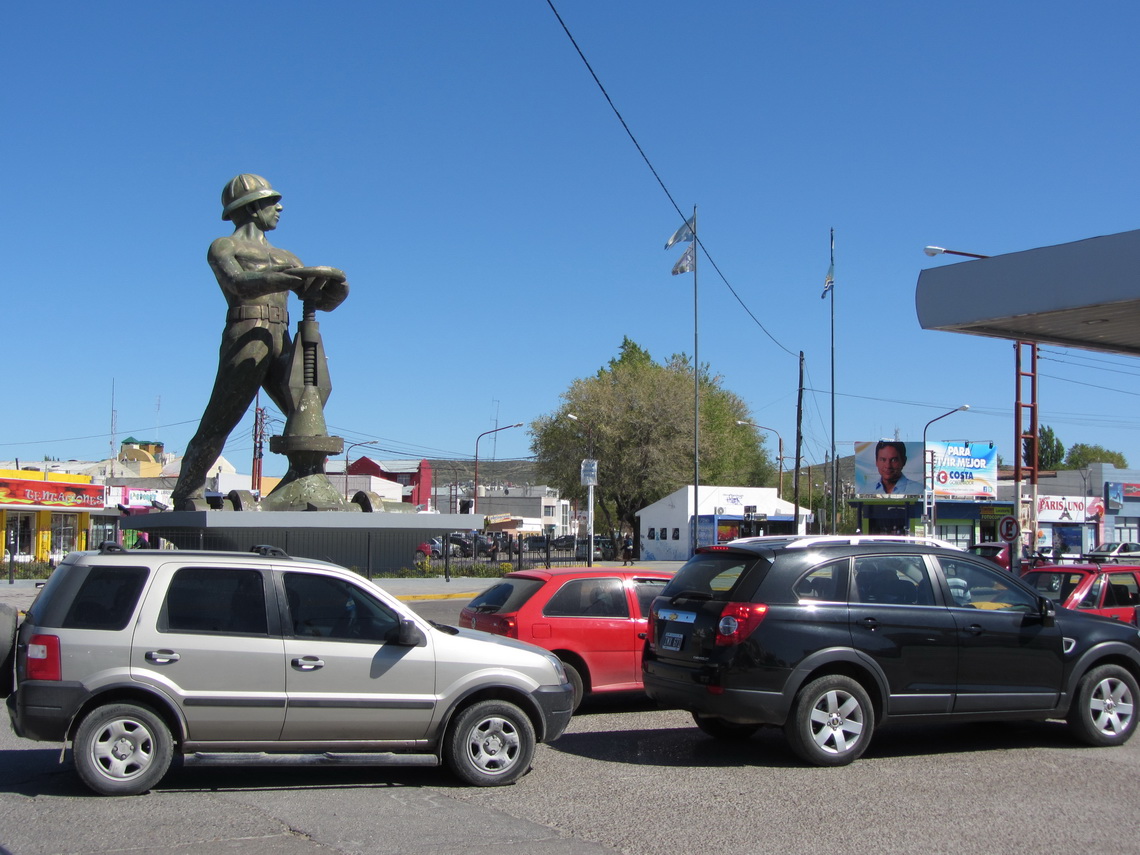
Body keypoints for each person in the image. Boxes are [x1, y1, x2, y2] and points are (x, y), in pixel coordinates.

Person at [172, 174, 347, 509]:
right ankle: (187, 489)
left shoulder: (288, 256)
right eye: (271, 201)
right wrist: (279, 278)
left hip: (281, 336)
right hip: (247, 334)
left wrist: (339, 289)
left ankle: (305, 484)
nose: (279, 208)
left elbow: (321, 300)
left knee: (307, 416)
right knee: (222, 417)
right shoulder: (225, 246)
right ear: (252, 208)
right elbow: (237, 283)